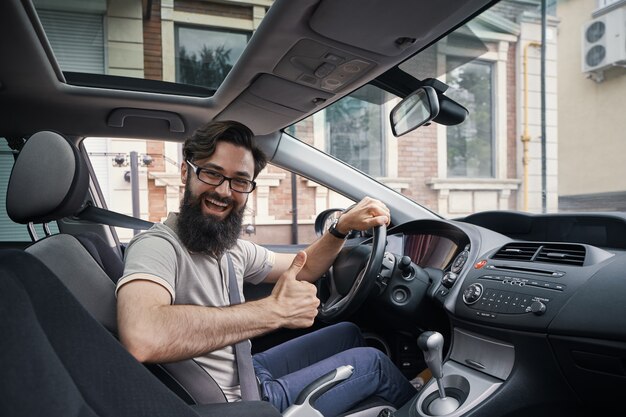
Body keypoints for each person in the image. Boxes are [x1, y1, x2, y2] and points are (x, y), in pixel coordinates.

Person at [116, 120, 417, 416]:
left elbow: (304, 267)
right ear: (186, 172)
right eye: (212, 174)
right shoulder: (157, 246)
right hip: (238, 403)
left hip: (247, 368)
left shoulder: (228, 248)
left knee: (348, 333)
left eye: (240, 181)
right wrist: (275, 311)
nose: (224, 191)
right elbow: (143, 336)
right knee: (373, 364)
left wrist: (340, 228)